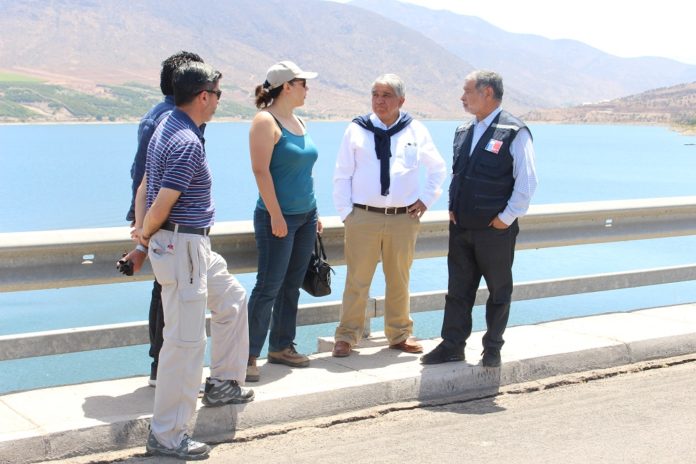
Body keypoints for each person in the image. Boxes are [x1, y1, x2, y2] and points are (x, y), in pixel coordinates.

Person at [133, 62, 254, 460]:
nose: (219, 101)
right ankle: (167, 435)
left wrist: (142, 233)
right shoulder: (185, 140)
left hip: (193, 246)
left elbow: (145, 184)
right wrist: (145, 236)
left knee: (233, 298)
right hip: (182, 246)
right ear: (203, 96)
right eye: (218, 94)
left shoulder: (166, 124)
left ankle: (223, 382)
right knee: (184, 344)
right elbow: (162, 202)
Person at [421, 70, 538, 368]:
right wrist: (451, 207)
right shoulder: (463, 130)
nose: (462, 97)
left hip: (494, 231)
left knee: (499, 290)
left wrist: (506, 218)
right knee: (458, 290)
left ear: (487, 93)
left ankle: (492, 349)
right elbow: (458, 174)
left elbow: (527, 182)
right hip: (461, 228)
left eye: (467, 91)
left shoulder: (514, 131)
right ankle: (452, 345)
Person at [332, 74, 446, 358]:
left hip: (402, 219)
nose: (379, 100)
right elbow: (342, 174)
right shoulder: (356, 129)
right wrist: (347, 213)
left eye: (386, 95)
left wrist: (425, 200)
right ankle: (346, 337)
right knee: (357, 280)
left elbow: (438, 168)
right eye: (375, 94)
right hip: (363, 217)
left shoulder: (415, 130)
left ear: (401, 100)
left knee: (399, 278)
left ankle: (399, 335)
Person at [124, 51, 204, 387]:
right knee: (167, 294)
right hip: (166, 225)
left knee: (169, 293)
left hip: (167, 223)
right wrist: (142, 233)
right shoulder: (167, 120)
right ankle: (164, 367)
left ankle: (167, 367)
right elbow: (143, 177)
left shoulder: (180, 117)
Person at [246, 61, 321, 382]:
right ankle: (247, 355)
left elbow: (304, 172)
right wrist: (276, 215)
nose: (308, 88)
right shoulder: (266, 121)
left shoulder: (298, 121)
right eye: (303, 83)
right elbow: (261, 171)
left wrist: (314, 215)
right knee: (268, 287)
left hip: (305, 218)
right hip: (277, 218)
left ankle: (281, 346)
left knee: (292, 286)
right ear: (287, 86)